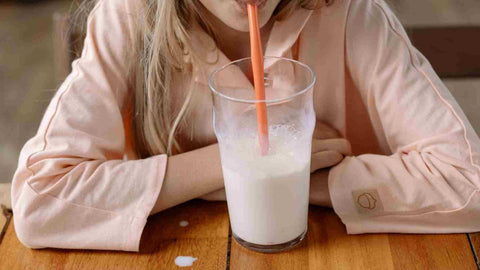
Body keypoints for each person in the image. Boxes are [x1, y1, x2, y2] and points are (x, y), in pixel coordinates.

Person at [11, 0, 480, 251]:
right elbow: (40, 199)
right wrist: (230, 166)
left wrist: (296, 180)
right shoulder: (128, 15)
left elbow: (469, 182)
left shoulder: (351, 12)